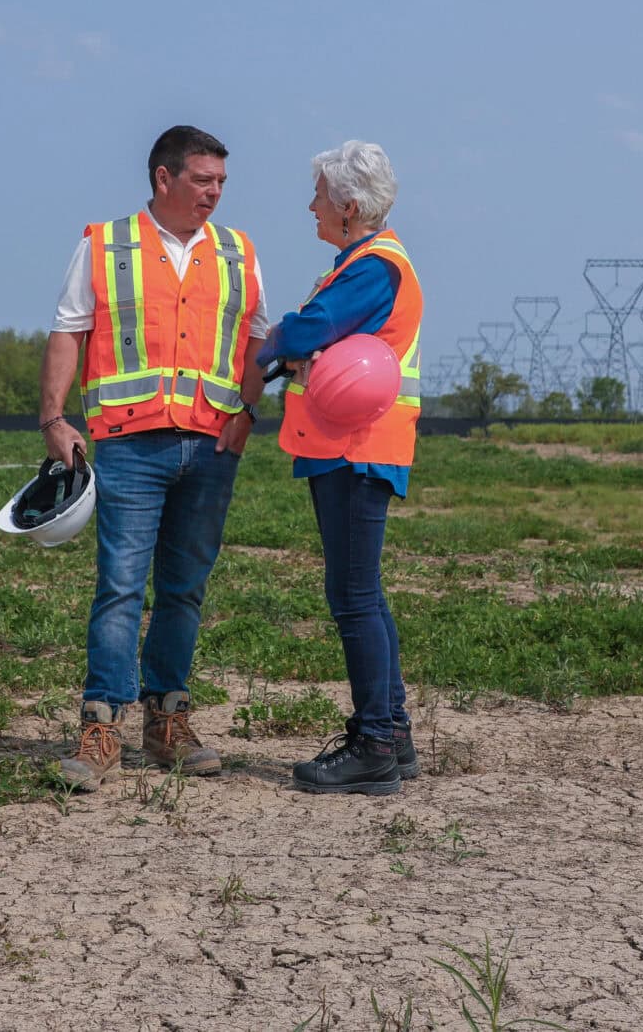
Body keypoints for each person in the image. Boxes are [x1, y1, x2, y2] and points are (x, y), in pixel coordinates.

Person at [37, 125, 270, 791]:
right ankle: (101, 726)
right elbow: (67, 331)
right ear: (164, 178)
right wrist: (54, 418)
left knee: (184, 589)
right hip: (127, 446)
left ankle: (167, 718)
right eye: (203, 180)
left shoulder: (239, 251)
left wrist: (246, 417)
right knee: (119, 586)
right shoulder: (104, 244)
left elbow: (258, 340)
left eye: (222, 181)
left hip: (210, 449)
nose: (215, 193)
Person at [256, 140, 423, 795]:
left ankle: (374, 745)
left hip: (356, 448)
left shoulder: (371, 268)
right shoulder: (366, 262)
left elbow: (308, 330)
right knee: (365, 594)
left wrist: (272, 345)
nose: (311, 205)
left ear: (349, 207)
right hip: (354, 447)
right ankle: (395, 732)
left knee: (352, 598)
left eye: (320, 195)